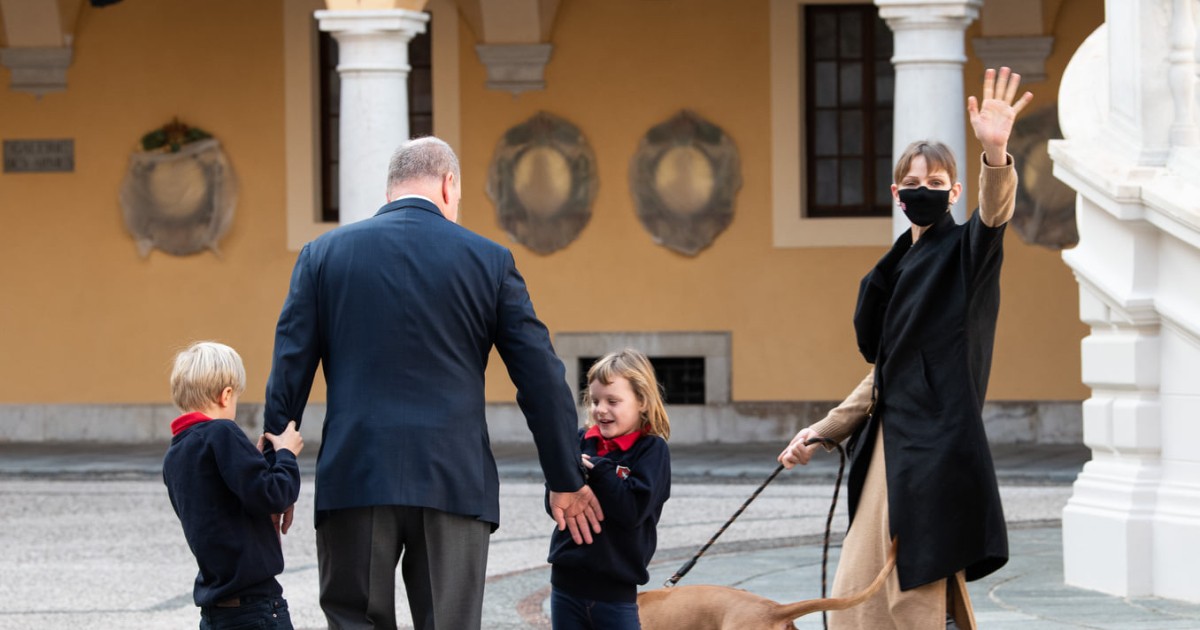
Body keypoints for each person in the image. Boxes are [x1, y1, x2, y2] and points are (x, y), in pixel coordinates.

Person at [263, 136, 603, 630]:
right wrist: (565, 478)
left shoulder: (323, 255)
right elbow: (542, 379)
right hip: (454, 480)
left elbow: (289, 369)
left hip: (356, 475)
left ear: (389, 192)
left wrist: (277, 479)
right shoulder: (490, 261)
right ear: (449, 185)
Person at [778, 67, 1034, 630]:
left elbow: (993, 219)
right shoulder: (892, 270)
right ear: (897, 194)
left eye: (938, 182)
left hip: (935, 449)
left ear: (955, 191)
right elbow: (886, 372)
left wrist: (995, 154)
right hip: (892, 445)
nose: (926, 190)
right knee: (878, 590)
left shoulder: (966, 253)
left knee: (900, 590)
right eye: (914, 182)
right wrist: (823, 430)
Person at [162, 341, 305, 630]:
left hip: (216, 610)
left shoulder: (176, 453)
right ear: (226, 395)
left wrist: (247, 460)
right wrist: (287, 454)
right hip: (257, 607)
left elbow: (222, 504)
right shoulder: (221, 432)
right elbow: (274, 495)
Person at [548, 349, 672, 630]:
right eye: (595, 401)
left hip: (615, 593)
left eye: (612, 401)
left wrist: (599, 471)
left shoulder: (652, 451)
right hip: (565, 585)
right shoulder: (580, 441)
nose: (600, 409)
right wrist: (561, 478)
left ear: (641, 401)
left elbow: (633, 511)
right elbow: (555, 505)